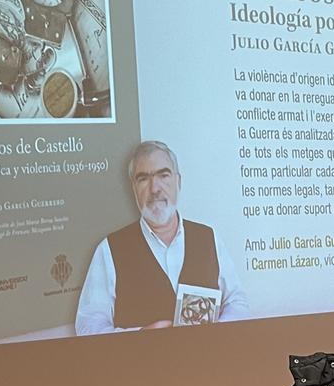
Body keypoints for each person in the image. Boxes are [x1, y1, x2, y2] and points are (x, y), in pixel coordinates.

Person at [75, 141, 248, 335]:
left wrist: (217, 332)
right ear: (134, 188)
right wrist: (140, 336)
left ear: (178, 181)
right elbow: (88, 326)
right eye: (143, 178)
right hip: (143, 364)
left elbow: (236, 301)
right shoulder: (109, 250)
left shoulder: (209, 238)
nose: (154, 188)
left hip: (207, 362)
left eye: (163, 175)